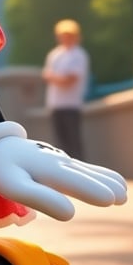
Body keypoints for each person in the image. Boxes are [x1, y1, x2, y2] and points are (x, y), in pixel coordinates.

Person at [42, 19, 89, 160]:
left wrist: (54, 78)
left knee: (73, 142)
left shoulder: (78, 54)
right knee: (60, 144)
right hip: (56, 105)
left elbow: (71, 79)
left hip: (71, 104)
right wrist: (56, 79)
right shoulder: (54, 54)